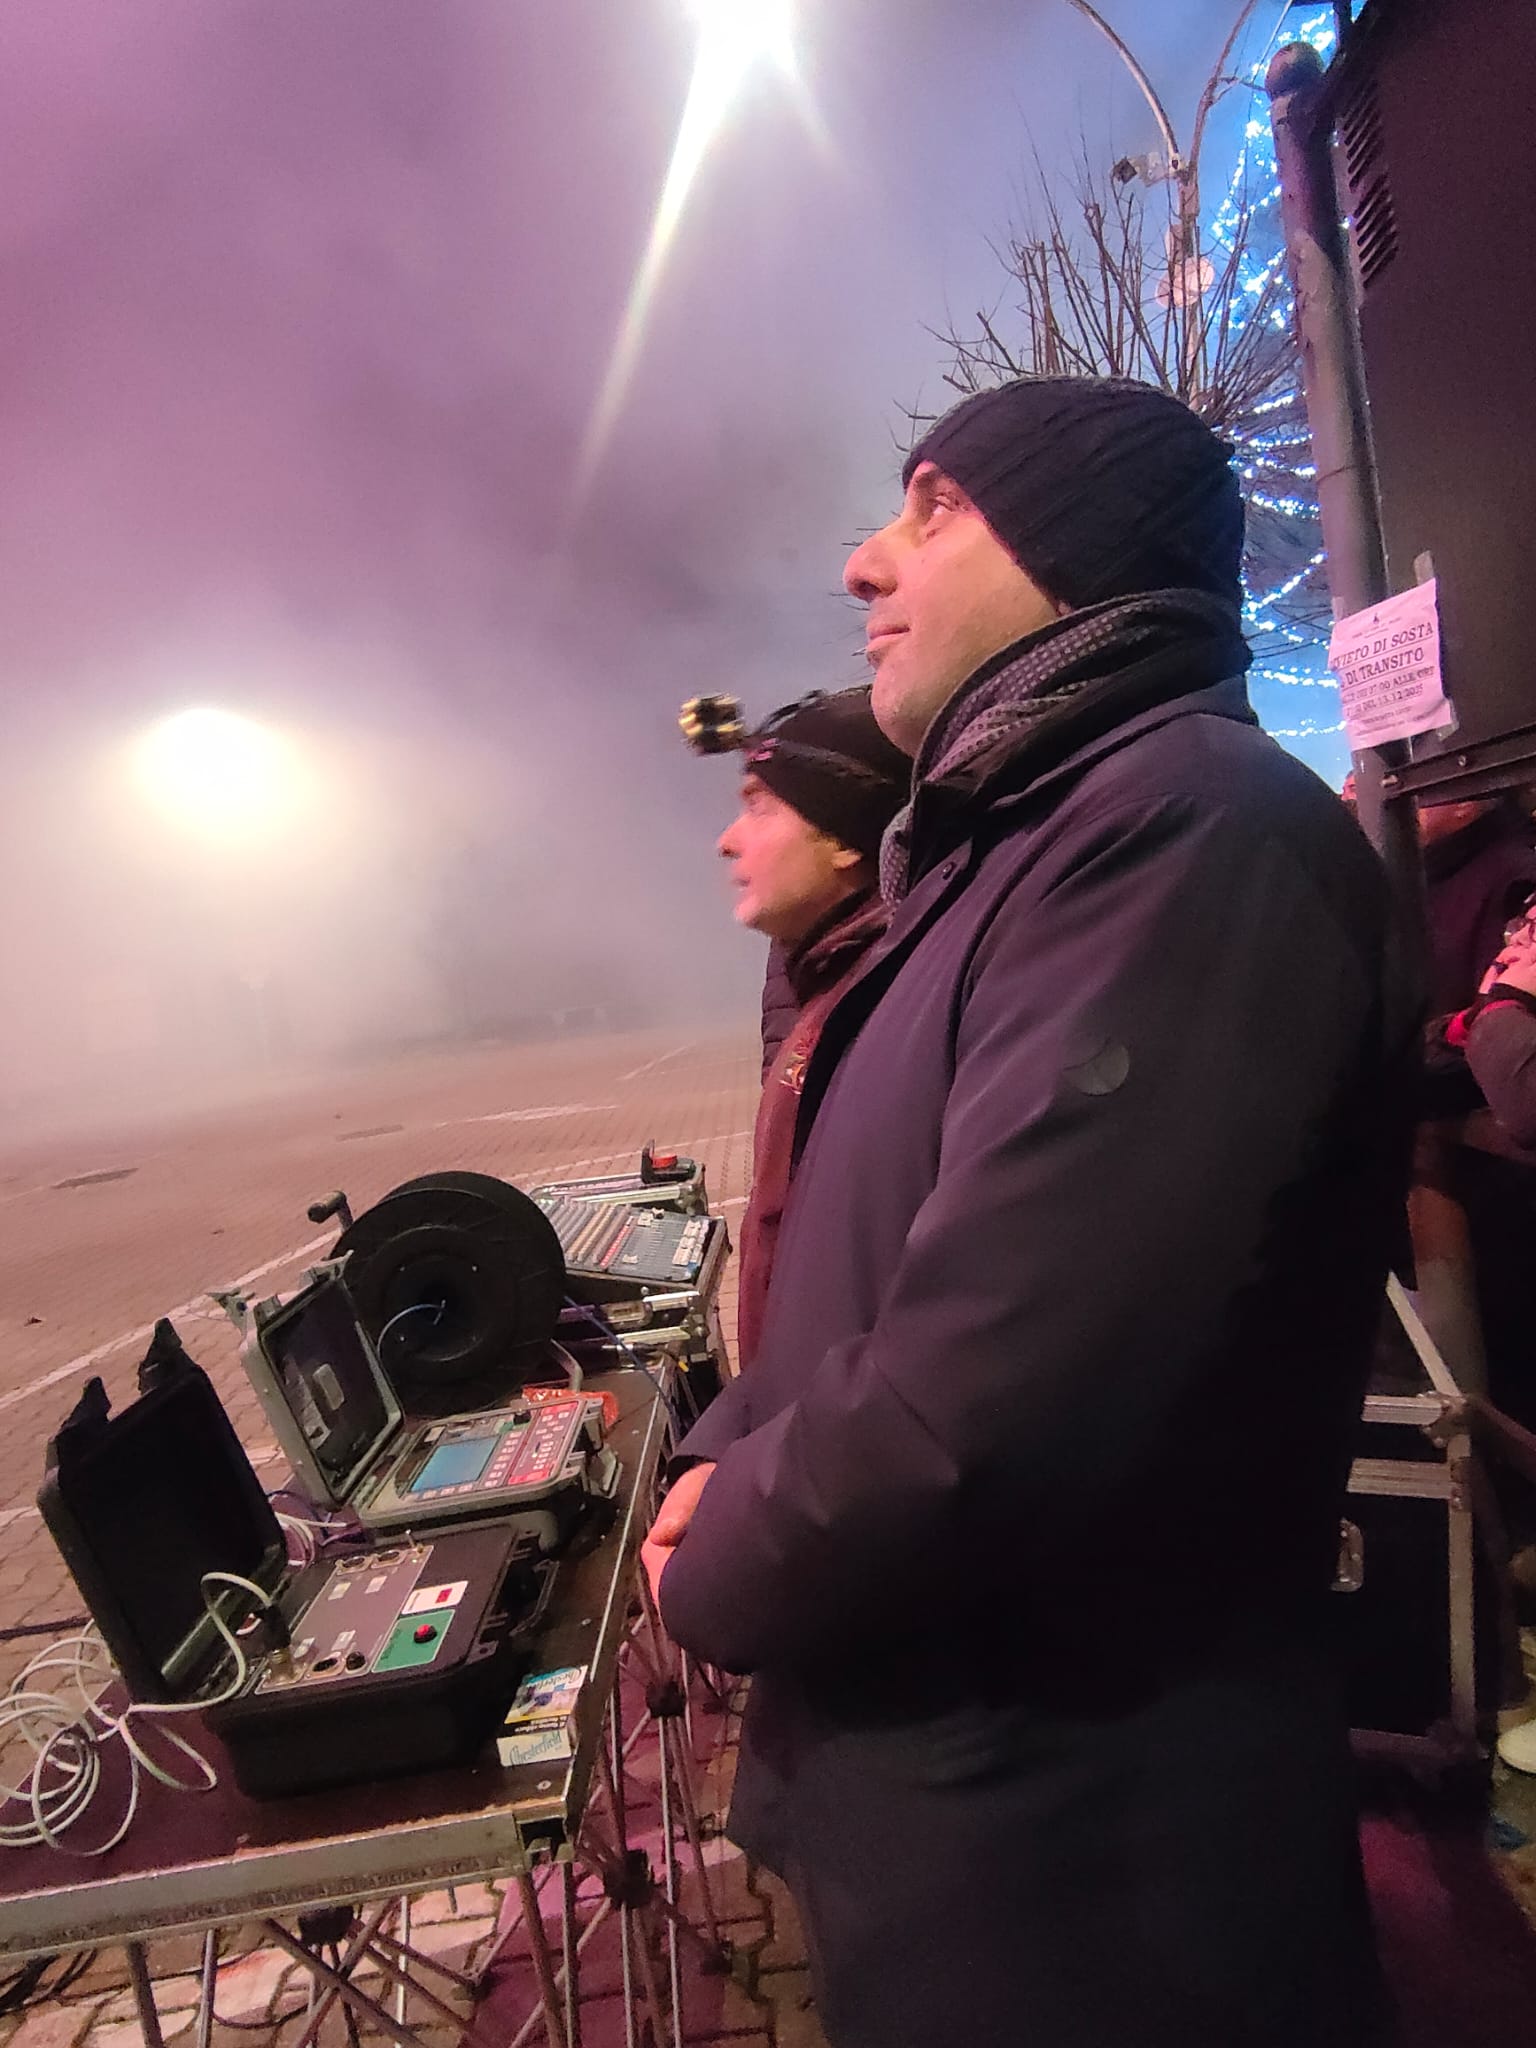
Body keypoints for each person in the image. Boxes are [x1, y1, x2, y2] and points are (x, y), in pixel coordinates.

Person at [644, 376, 1415, 2048]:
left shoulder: (1184, 835)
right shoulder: (1022, 846)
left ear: (1076, 539)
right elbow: (862, 1260)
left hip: (1085, 1882)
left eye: (931, 505)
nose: (863, 560)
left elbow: (996, 1395)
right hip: (967, 1818)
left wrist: (725, 1548)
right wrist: (730, 1443)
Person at [713, 688, 909, 1369]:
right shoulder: (827, 981)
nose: (726, 841)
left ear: (846, 839)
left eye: (759, 806)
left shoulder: (884, 1010)